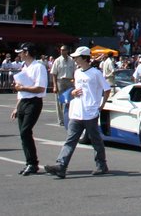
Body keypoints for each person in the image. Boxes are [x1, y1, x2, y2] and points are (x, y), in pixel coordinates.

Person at [44, 47, 111, 178]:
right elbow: (77, 89)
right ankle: (61, 165)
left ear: (85, 57)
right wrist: (73, 93)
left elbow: (106, 89)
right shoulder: (77, 72)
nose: (74, 59)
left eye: (77, 57)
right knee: (70, 140)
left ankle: (101, 165)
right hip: (77, 111)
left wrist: (101, 104)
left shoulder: (95, 73)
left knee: (96, 140)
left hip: (90, 112)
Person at [11, 42, 49, 176]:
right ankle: (30, 162)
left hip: (34, 102)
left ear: (27, 52)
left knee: (25, 131)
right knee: (23, 133)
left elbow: (40, 88)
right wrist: (16, 107)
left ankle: (33, 163)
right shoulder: (24, 67)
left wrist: (23, 88)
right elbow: (20, 91)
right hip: (23, 101)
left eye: (21, 52)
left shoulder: (39, 67)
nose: (19, 55)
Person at [50, 45, 75, 127]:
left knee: (70, 101)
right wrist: (54, 86)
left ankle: (69, 118)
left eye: (63, 50)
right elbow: (54, 74)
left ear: (67, 51)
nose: (62, 51)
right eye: (61, 50)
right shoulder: (57, 60)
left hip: (69, 81)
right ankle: (61, 120)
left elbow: (74, 72)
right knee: (59, 102)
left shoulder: (72, 60)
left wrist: (74, 82)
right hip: (60, 81)